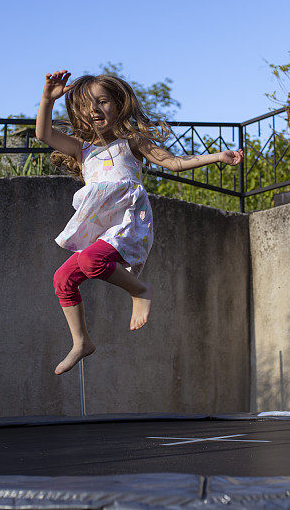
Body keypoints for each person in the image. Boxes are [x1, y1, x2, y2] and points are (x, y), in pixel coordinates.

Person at [36, 70, 244, 375]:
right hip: (102, 228)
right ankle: (81, 342)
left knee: (93, 260)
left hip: (130, 221)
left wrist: (216, 156)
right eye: (86, 106)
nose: (94, 110)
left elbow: (174, 162)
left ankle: (139, 290)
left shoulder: (131, 142)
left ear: (118, 105)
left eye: (102, 102)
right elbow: (43, 134)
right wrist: (46, 99)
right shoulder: (82, 149)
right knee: (62, 279)